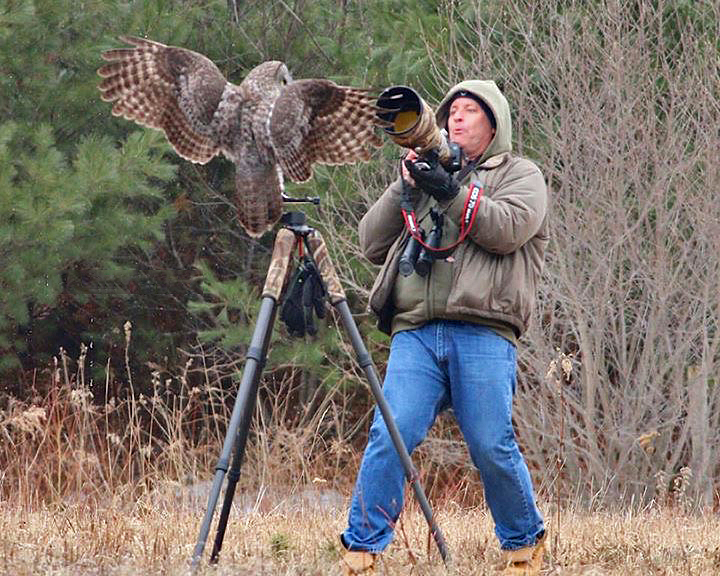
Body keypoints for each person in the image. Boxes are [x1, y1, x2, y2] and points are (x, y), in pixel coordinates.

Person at [339, 80, 548, 576]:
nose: (456, 118)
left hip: (483, 329)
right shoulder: (429, 174)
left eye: (470, 110)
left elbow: (505, 231)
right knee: (390, 434)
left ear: (494, 123)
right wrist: (406, 187)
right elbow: (370, 243)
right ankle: (362, 549)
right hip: (417, 330)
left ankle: (523, 544)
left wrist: (451, 193)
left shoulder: (520, 174)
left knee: (489, 444)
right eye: (451, 110)